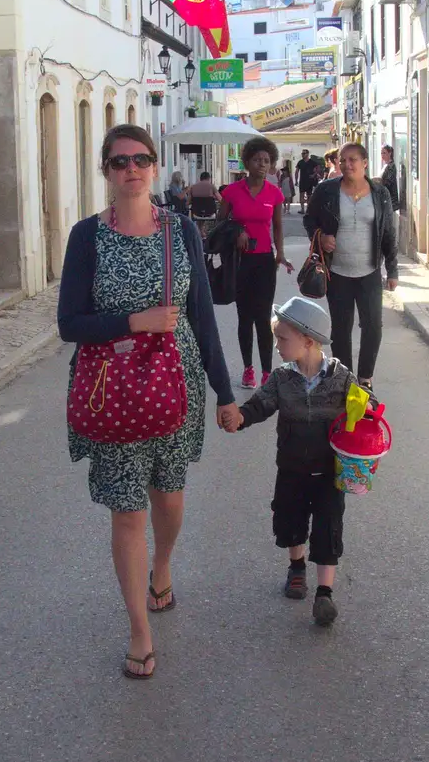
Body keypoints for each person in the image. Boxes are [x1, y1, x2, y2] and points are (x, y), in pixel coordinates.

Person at [58, 125, 241, 680]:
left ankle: (162, 566)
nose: (131, 168)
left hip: (175, 385)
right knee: (128, 511)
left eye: (141, 159)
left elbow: (204, 316)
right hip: (112, 389)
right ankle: (139, 628)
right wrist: (132, 321)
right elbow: (70, 323)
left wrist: (226, 393)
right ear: (105, 170)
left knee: (169, 496)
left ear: (155, 167)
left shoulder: (182, 231)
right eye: (119, 161)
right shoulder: (86, 237)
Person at [224, 295, 354, 628]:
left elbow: (366, 409)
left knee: (328, 527)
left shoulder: (340, 378)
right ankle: (297, 569)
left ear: (308, 341)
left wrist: (367, 415)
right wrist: (240, 416)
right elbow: (260, 404)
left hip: (329, 472)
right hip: (292, 468)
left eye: (282, 338)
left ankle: (324, 593)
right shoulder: (281, 379)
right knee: (289, 520)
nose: (276, 344)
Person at [303, 142, 398, 390]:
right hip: (337, 272)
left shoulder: (380, 194)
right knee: (341, 329)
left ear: (365, 163)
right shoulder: (326, 191)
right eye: (342, 160)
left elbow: (388, 232)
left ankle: (365, 379)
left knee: (373, 327)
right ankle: (346, 379)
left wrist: (393, 269)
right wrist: (320, 236)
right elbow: (309, 219)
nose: (347, 165)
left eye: (352, 159)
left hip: (369, 271)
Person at [218, 137, 293, 389]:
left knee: (263, 317)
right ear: (247, 162)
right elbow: (219, 225)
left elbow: (279, 227)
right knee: (244, 317)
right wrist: (236, 230)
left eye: (266, 161)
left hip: (264, 261)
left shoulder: (275, 193)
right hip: (239, 261)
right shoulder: (231, 191)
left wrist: (280, 253)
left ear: (271, 165)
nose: (262, 164)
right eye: (257, 160)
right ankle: (248, 369)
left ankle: (266, 372)